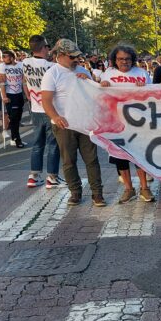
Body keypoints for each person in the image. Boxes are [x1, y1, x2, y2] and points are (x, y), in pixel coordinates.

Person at [41, 39, 104, 207]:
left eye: (78, 57)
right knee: (69, 161)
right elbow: (46, 100)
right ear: (60, 55)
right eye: (72, 57)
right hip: (64, 125)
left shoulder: (83, 70)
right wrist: (55, 117)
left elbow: (95, 94)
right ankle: (75, 192)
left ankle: (97, 193)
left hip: (85, 123)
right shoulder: (52, 74)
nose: (76, 60)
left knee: (92, 160)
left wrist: (90, 81)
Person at [99, 44, 155, 203]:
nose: (124, 61)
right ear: (115, 60)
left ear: (133, 59)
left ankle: (144, 188)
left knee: (139, 156)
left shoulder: (142, 73)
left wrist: (144, 88)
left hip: (138, 123)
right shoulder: (108, 74)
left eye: (127, 59)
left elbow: (153, 95)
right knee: (120, 157)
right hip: (116, 123)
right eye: (120, 59)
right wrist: (102, 87)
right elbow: (100, 96)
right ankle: (129, 189)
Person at [23, 36, 62, 188]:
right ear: (44, 47)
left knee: (37, 143)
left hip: (35, 108)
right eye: (47, 47)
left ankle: (34, 176)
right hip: (51, 109)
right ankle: (52, 177)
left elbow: (25, 81)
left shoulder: (25, 63)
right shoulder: (52, 67)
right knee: (53, 144)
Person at [0, 50, 26, 148]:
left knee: (18, 117)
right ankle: (17, 139)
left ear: (12, 57)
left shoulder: (21, 65)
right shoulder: (2, 66)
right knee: (13, 117)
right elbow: (2, 82)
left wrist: (26, 94)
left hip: (19, 94)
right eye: (3, 56)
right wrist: (4, 96)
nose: (3, 58)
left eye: (5, 56)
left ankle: (14, 137)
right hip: (10, 94)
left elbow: (24, 81)